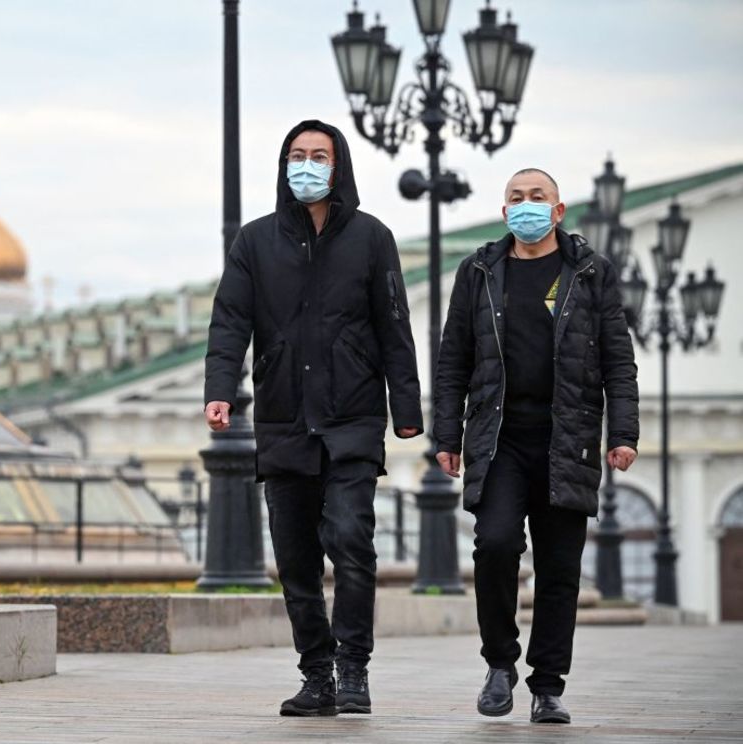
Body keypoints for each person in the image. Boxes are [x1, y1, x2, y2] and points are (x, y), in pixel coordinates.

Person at [204, 120, 423, 717]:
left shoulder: (372, 238)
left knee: (352, 539)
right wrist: (220, 388)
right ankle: (317, 675)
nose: (306, 165)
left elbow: (394, 326)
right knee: (296, 557)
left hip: (352, 417)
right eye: (296, 155)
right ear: (283, 165)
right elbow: (229, 322)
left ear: (339, 165)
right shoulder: (254, 242)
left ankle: (354, 669)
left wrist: (407, 409)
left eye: (318, 155)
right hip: (282, 419)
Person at [433, 168, 639, 724]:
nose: (527, 205)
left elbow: (618, 359)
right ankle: (500, 664)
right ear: (504, 213)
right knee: (495, 545)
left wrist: (623, 434)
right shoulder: (478, 271)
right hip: (499, 438)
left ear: (558, 209)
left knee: (559, 570)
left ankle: (548, 686)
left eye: (537, 197)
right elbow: (453, 357)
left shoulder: (591, 272)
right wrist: (446, 435)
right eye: (516, 198)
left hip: (566, 441)